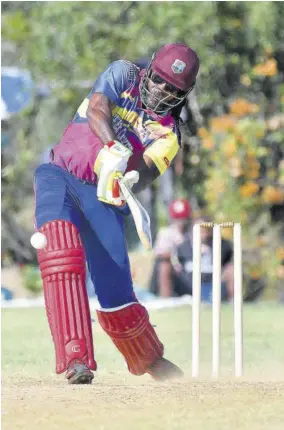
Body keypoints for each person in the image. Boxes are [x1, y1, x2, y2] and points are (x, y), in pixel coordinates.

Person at [33, 43, 200, 384]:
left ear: (185, 93)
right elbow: (96, 110)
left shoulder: (169, 134)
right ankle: (75, 359)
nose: (162, 91)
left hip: (104, 196)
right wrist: (114, 147)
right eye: (159, 81)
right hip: (60, 175)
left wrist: (127, 176)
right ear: (149, 70)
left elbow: (145, 173)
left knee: (115, 291)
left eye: (173, 90)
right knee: (62, 253)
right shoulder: (123, 72)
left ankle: (149, 358)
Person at [150, 203, 234, 301]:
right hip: (189, 285)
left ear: (210, 231)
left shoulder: (221, 245)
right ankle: (165, 301)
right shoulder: (183, 246)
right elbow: (176, 265)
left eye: (204, 230)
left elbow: (227, 265)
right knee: (164, 266)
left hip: (212, 284)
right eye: (199, 230)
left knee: (231, 269)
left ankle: (233, 302)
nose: (202, 234)